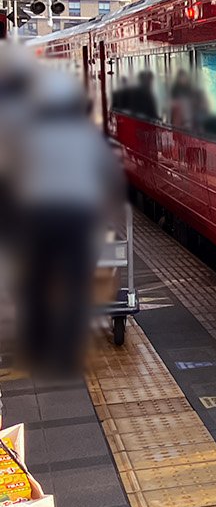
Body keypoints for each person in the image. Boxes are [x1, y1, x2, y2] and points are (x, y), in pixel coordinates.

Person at [14, 69, 124, 376]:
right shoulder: (88, 139)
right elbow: (110, 179)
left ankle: (36, 344)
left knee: (37, 282)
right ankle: (65, 352)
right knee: (76, 285)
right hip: (77, 219)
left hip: (38, 219)